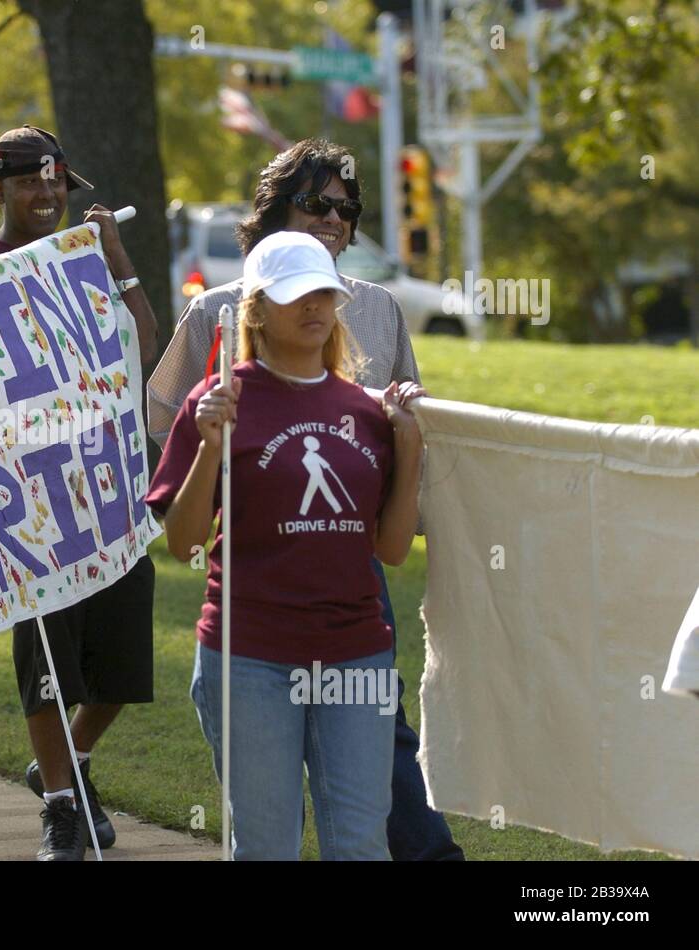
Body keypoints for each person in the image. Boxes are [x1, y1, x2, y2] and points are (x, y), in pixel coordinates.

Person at [146, 138, 465, 861]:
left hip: (355, 640)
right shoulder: (216, 346)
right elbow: (182, 534)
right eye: (315, 203)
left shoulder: (368, 377)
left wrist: (409, 444)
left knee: (360, 840)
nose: (333, 219)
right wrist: (210, 449)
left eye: (345, 211)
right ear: (259, 306)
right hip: (249, 647)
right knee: (267, 847)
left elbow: (392, 540)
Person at [0, 125, 158, 860]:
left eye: (56, 181)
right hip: (28, 498)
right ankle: (65, 810)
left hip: (107, 487)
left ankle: (62, 764)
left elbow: (144, 346)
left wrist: (116, 257)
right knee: (47, 659)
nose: (46, 194)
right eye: (29, 182)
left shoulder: (87, 260)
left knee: (124, 664)